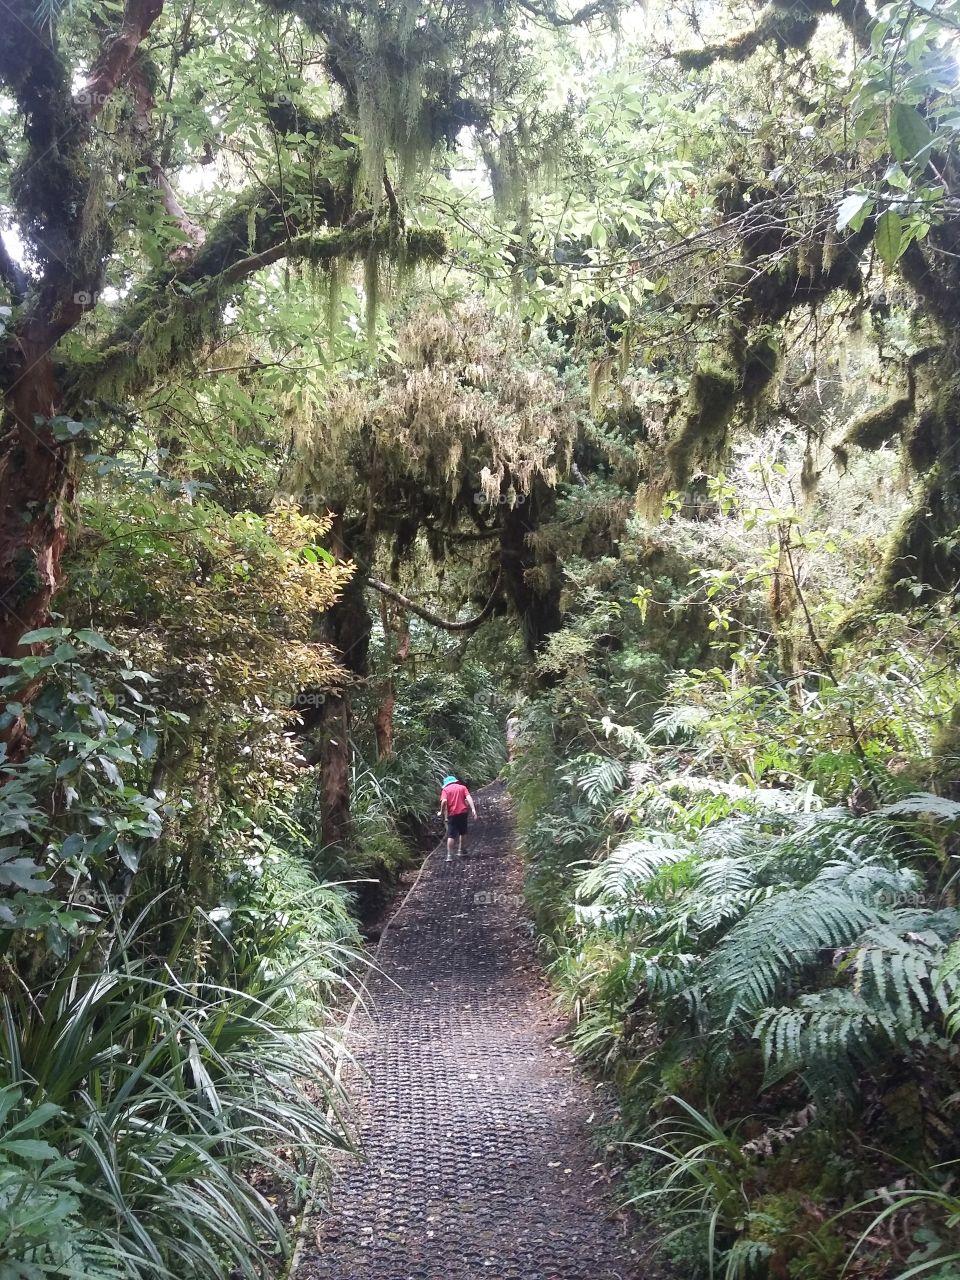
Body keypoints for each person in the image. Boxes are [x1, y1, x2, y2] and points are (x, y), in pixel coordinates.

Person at [438, 773, 477, 861]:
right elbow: (469, 797)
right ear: (455, 781)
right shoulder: (462, 787)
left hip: (452, 814)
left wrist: (441, 811)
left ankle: (449, 856)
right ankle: (461, 850)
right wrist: (473, 809)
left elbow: (444, 801)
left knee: (451, 835)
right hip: (463, 812)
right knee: (462, 832)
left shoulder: (445, 790)